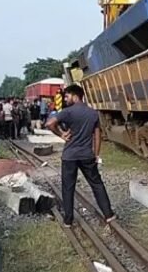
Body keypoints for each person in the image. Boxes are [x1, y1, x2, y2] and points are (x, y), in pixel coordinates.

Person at [47, 84, 115, 227]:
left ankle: (68, 220)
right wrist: (96, 155)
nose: (65, 99)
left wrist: (61, 134)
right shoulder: (93, 113)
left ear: (74, 95)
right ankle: (108, 214)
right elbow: (97, 136)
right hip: (87, 155)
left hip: (69, 156)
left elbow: (50, 123)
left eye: (67, 96)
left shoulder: (67, 112)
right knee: (96, 184)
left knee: (68, 187)